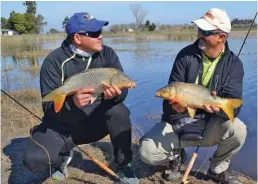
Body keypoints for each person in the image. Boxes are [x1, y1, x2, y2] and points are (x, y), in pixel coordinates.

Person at [23, 12, 138, 184]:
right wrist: (72, 103)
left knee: (120, 111)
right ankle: (61, 157)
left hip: (94, 121)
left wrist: (116, 95)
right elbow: (48, 108)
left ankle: (124, 164)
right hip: (64, 124)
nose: (100, 36)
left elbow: (123, 92)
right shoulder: (53, 61)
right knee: (35, 160)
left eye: (100, 31)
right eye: (93, 33)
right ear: (77, 38)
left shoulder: (108, 54)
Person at [139, 8, 247, 184]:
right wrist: (175, 106)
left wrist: (217, 110)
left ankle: (217, 169)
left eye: (206, 32)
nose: (200, 35)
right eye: (199, 30)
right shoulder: (185, 55)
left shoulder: (234, 64)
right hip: (180, 123)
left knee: (239, 129)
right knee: (147, 151)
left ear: (222, 37)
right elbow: (170, 94)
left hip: (210, 123)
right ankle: (176, 157)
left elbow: (234, 109)